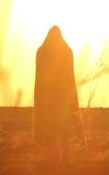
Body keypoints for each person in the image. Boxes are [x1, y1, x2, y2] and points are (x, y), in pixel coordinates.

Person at [34, 25, 80, 167]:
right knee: (60, 129)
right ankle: (61, 159)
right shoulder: (66, 51)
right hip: (61, 98)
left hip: (52, 99)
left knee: (54, 129)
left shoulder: (43, 51)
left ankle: (57, 159)